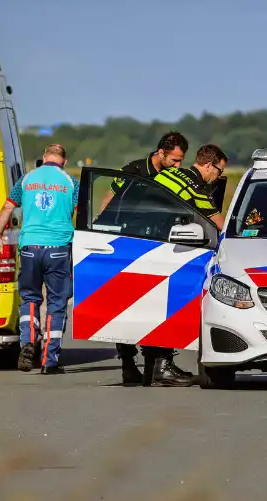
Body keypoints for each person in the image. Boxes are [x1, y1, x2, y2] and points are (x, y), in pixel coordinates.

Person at [137, 143, 229, 387]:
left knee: (152, 307)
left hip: (141, 244)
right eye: (218, 172)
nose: (216, 178)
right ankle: (162, 366)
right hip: (163, 250)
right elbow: (221, 224)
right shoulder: (195, 186)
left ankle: (147, 363)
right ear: (208, 166)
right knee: (172, 305)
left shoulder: (168, 174)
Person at [106, 131, 191, 386]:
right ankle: (128, 363)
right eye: (174, 160)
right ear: (161, 152)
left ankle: (161, 361)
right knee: (126, 309)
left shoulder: (174, 178)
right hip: (130, 247)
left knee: (158, 308)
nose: (178, 165)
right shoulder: (133, 170)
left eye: (181, 161)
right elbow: (110, 199)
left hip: (160, 250)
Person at [0, 143, 78, 375]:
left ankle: (28, 341)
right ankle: (49, 361)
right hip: (58, 247)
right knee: (57, 302)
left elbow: (7, 209)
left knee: (29, 298)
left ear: (44, 157)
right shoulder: (70, 182)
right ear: (64, 161)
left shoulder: (27, 179)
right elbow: (80, 212)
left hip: (30, 247)